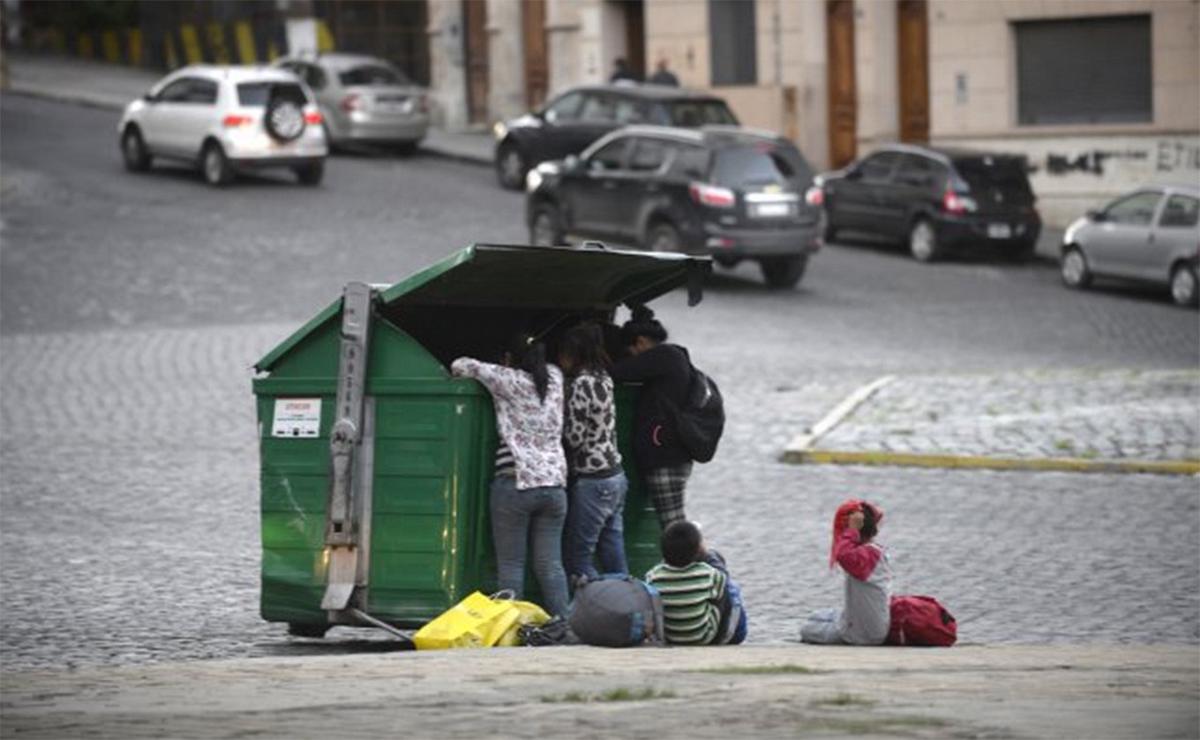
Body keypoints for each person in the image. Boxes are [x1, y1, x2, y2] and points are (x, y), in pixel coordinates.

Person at [450, 335, 570, 617]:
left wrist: (497, 367)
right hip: (554, 485)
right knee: (550, 564)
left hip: (516, 481)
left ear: (508, 358)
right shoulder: (554, 377)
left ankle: (512, 629)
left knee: (512, 565)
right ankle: (564, 624)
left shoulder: (506, 378)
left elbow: (460, 365)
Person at [610, 304, 693, 529]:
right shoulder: (671, 357)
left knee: (673, 527)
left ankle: (709, 563)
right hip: (670, 454)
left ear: (641, 342)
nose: (632, 358)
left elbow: (616, 373)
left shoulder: (663, 356)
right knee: (673, 524)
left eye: (631, 352)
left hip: (665, 457)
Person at [558, 322, 629, 583]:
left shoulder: (582, 383)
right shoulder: (604, 378)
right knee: (613, 554)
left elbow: (575, 437)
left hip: (593, 480)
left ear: (572, 353)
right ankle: (628, 609)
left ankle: (592, 612)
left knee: (578, 560)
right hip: (615, 476)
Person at [799, 499, 891, 645]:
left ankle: (841, 626)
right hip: (871, 626)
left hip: (862, 635)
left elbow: (842, 555)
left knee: (806, 628)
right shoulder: (873, 551)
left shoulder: (867, 555)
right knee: (817, 615)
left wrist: (852, 530)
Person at [645, 520, 747, 645]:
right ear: (698, 551)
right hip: (705, 637)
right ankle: (730, 637)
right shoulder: (707, 574)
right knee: (732, 589)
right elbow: (723, 583)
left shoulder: (653, 576)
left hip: (670, 637)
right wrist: (707, 554)